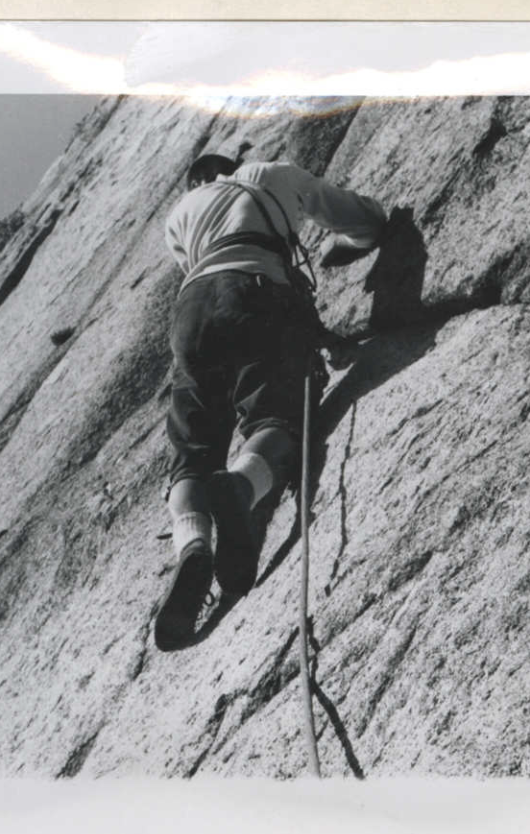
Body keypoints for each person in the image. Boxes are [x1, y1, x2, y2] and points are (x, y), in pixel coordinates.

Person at [154, 153, 387, 650]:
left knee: (190, 453)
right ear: (233, 164)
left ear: (196, 181)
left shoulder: (180, 213)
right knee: (276, 412)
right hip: (253, 285)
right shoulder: (267, 174)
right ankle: (242, 484)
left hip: (189, 313)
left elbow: (200, 270)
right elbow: (362, 220)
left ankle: (193, 544)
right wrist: (353, 243)